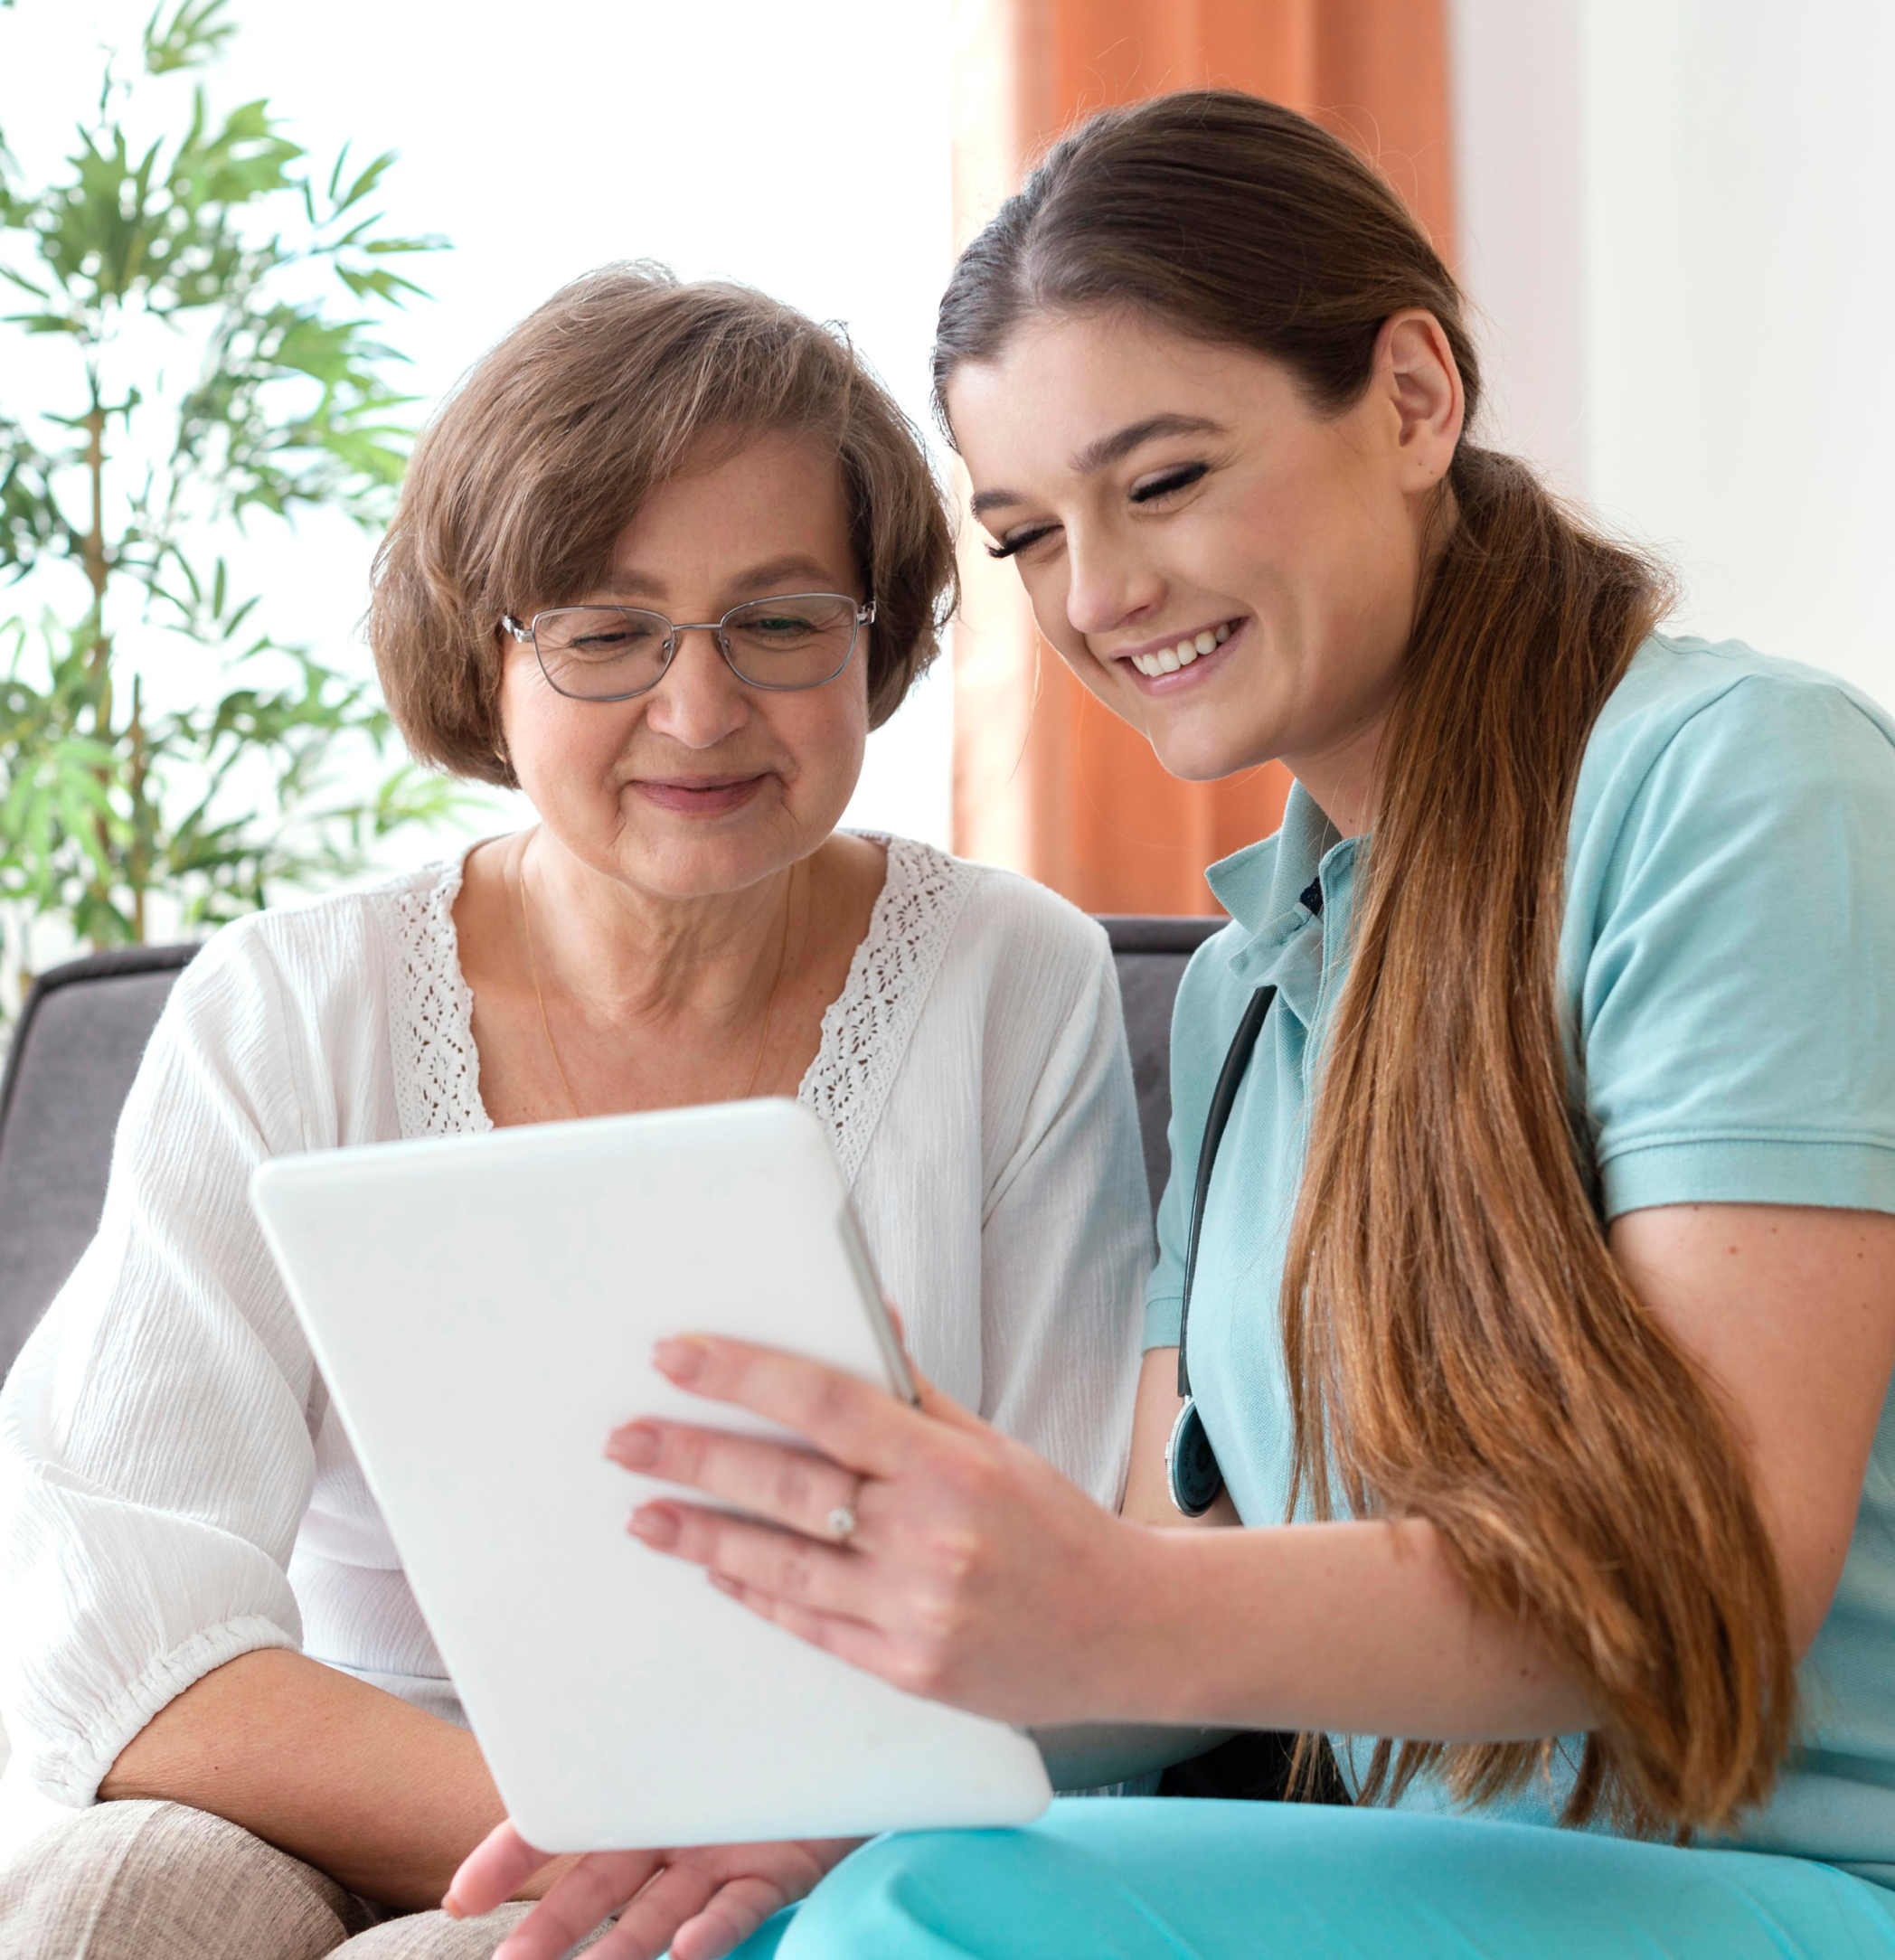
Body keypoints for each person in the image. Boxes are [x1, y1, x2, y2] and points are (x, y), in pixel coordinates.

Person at [451, 92, 1895, 1960]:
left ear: (1409, 400)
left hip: (1802, 1884)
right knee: (859, 1891)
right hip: (1456, 1884)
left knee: (921, 1920)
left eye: (1161, 481)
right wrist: (828, 1773)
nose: (1104, 595)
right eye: (1031, 533)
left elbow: (1708, 1578)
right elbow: (1191, 1605)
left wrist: (1095, 1597)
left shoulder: (1733, 787)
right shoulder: (1239, 992)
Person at [0, 264, 1154, 1959]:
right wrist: (583, 1833)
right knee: (119, 1896)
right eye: (608, 633)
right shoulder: (289, 1005)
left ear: (877, 639)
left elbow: (1065, 1580)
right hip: (346, 1782)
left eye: (778, 622)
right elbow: (112, 1627)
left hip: (824, 1825)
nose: (699, 711)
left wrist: (700, 1846)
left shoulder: (1012, 980)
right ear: (493, 659)